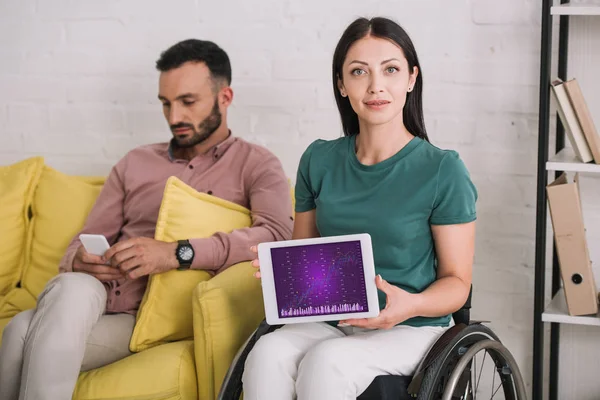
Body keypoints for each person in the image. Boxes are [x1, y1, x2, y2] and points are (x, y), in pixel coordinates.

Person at [0, 39, 293, 400]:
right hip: (93, 299)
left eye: (188, 102)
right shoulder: (135, 162)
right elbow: (84, 240)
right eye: (166, 104)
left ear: (225, 97)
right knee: (71, 287)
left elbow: (277, 235)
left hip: (142, 320)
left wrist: (177, 253)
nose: (174, 118)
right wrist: (79, 258)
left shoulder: (256, 164)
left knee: (18, 330)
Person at [242, 16, 477, 400]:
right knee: (267, 353)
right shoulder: (319, 160)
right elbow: (306, 257)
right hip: (332, 320)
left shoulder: (442, 169)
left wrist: (409, 305)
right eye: (358, 72)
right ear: (341, 84)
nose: (375, 86)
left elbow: (457, 282)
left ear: (411, 79)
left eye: (390, 70)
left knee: (327, 362)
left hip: (412, 327)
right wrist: (282, 273)